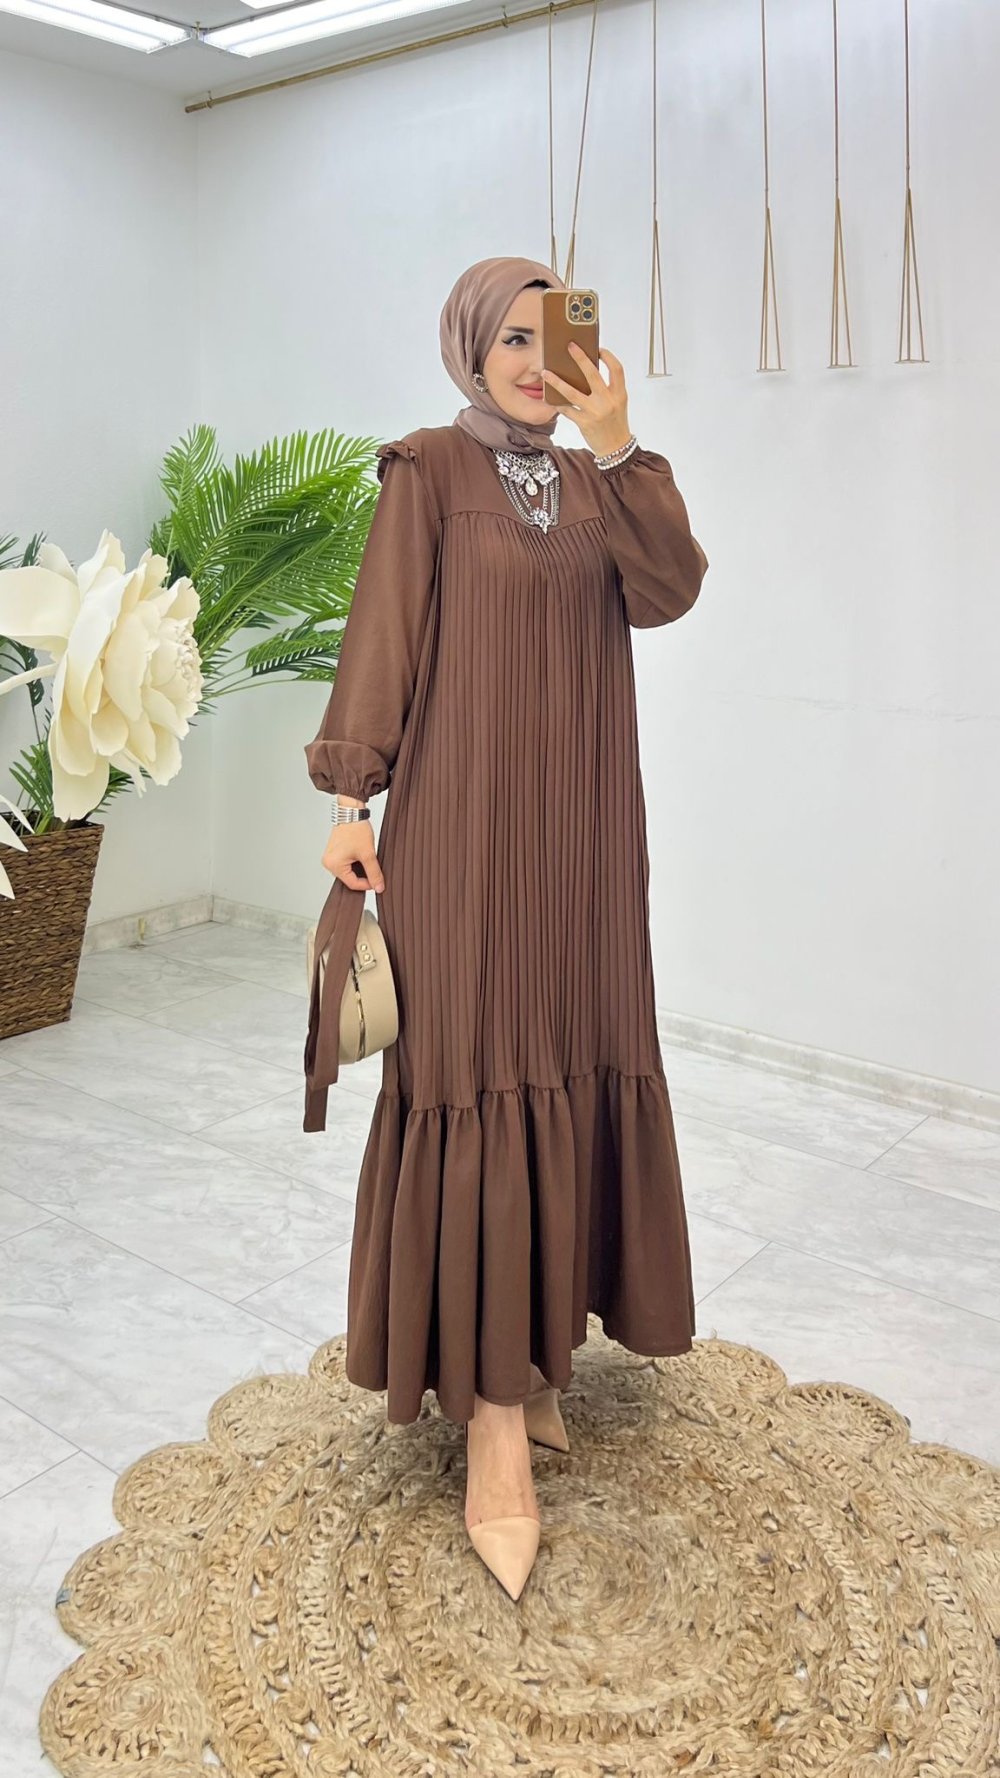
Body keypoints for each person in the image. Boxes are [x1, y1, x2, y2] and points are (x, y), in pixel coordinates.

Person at [303, 254, 709, 1601]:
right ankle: (490, 1426)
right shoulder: (426, 471)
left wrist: (623, 445)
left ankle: (536, 1364)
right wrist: (353, 796)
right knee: (474, 1075)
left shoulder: (602, 482)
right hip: (464, 847)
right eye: (516, 339)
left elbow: (671, 591)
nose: (541, 362)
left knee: (575, 1058)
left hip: (584, 844)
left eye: (559, 336)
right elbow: (383, 635)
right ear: (472, 348)